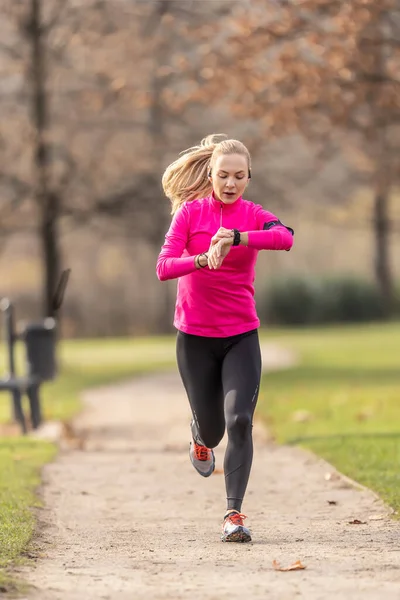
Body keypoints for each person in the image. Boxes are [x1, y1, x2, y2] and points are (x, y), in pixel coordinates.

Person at [156, 134, 294, 543]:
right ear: (211, 175)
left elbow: (284, 237)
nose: (230, 183)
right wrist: (201, 259)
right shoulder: (189, 215)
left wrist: (237, 237)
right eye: (223, 175)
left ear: (249, 177)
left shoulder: (253, 215)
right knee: (214, 431)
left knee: (240, 421)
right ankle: (200, 435)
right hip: (194, 337)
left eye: (239, 176)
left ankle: (233, 514)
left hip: (240, 336)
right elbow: (163, 267)